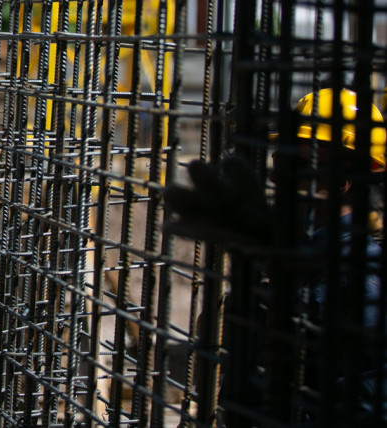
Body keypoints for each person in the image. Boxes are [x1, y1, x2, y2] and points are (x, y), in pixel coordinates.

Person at [164, 88, 387, 425]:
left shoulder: (358, 287)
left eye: (294, 164)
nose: (273, 176)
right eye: (277, 162)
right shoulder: (309, 261)